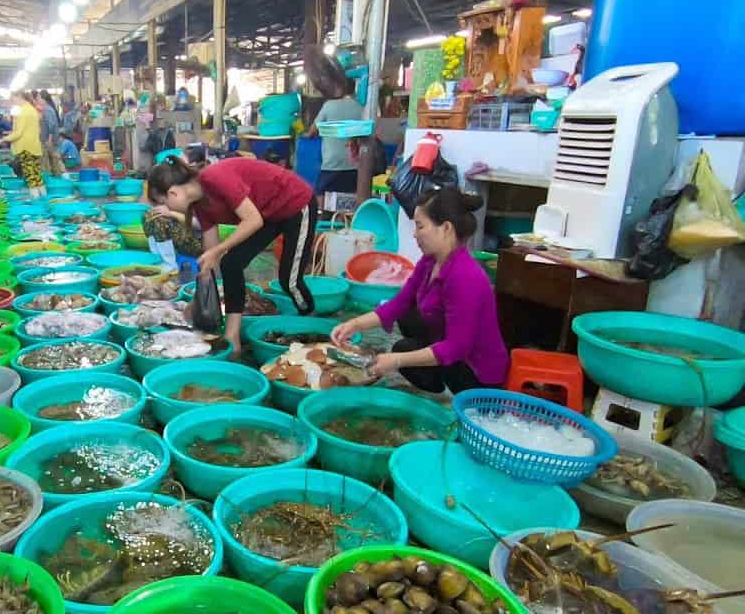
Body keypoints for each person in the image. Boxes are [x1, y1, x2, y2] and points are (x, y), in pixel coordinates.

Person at [332, 187, 508, 393]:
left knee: (402, 353)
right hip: (451, 347)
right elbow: (400, 303)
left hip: (478, 373)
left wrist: (396, 361)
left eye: (420, 226)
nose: (415, 234)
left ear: (446, 228)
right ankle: (435, 380)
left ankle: (453, 393)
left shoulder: (465, 276)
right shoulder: (430, 261)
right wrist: (354, 324)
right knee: (407, 322)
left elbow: (456, 348)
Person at [147, 156, 317, 354]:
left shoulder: (216, 177)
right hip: (267, 214)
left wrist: (218, 250)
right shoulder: (199, 206)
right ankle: (232, 334)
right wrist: (197, 299)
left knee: (289, 281)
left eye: (163, 204)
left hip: (296, 203)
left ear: (173, 193)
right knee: (231, 263)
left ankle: (312, 322)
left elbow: (252, 221)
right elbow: (212, 259)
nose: (167, 210)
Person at [307, 81, 363, 198]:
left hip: (332, 162)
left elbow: (312, 132)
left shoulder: (329, 105)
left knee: (320, 193)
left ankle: (322, 215)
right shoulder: (360, 107)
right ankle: (348, 216)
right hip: (353, 164)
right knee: (350, 196)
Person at [0, 90, 43, 195]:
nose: (12, 102)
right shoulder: (31, 109)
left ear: (19, 96)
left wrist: (2, 139)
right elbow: (29, 129)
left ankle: (36, 202)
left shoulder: (22, 111)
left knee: (30, 177)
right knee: (36, 175)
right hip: (33, 146)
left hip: (25, 148)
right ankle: (42, 198)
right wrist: (10, 133)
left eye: (12, 99)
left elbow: (18, 133)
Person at [36, 92, 63, 176]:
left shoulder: (47, 109)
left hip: (49, 141)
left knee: (52, 163)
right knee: (52, 162)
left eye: (39, 98)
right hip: (47, 140)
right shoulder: (46, 109)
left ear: (44, 99)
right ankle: (55, 179)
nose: (37, 100)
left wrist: (49, 140)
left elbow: (51, 125)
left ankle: (55, 180)